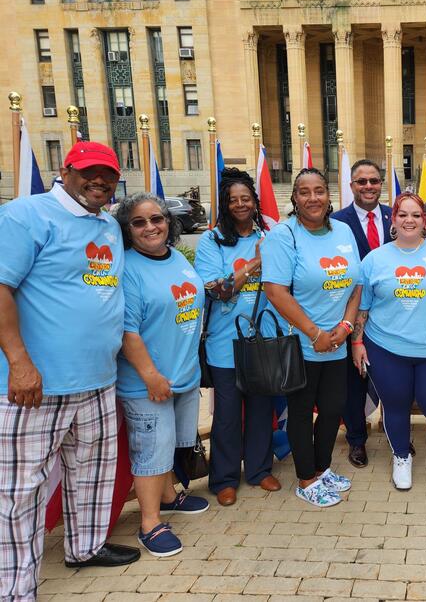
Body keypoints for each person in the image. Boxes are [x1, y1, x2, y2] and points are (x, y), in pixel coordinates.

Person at [0, 141, 140, 600]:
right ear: (67, 170)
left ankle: (85, 547)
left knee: (92, 474)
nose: (99, 181)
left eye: (108, 174)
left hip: (98, 379)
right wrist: (19, 362)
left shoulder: (107, 225)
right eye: (89, 172)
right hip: (36, 385)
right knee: (21, 493)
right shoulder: (26, 215)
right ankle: (15, 588)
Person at [351, 193, 426, 495]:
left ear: (425, 221)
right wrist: (357, 342)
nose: (409, 220)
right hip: (386, 348)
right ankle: (401, 457)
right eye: (402, 214)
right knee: (395, 406)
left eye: (416, 215)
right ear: (393, 220)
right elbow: (362, 306)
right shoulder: (375, 259)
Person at [114, 193, 210, 557]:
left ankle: (168, 496)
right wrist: (150, 375)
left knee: (169, 444)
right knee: (151, 452)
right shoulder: (128, 269)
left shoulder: (177, 261)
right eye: (139, 222)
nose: (150, 227)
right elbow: (128, 331)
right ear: (128, 229)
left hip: (182, 375)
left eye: (157, 219)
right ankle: (150, 523)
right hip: (148, 382)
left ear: (169, 222)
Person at [262, 168, 362, 507]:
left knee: (333, 409)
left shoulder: (345, 231)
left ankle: (323, 468)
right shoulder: (283, 235)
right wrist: (316, 333)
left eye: (319, 190)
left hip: (337, 340)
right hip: (303, 343)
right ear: (294, 198)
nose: (313, 198)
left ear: (329, 195)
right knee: (302, 412)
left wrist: (345, 328)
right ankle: (306, 478)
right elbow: (275, 291)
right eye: (304, 192)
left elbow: (356, 285)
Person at [194, 167, 282, 507]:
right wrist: (253, 265)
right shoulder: (211, 240)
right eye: (233, 200)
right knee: (228, 415)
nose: (241, 205)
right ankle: (225, 478)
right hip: (224, 343)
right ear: (225, 205)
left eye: (246, 198)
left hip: (263, 338)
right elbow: (217, 291)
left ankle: (259, 470)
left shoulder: (271, 234)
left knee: (261, 409)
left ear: (255, 202)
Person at [331, 159, 393, 468]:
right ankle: (356, 440)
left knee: (395, 378)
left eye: (373, 180)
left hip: (394, 314)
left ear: (381, 183)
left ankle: (397, 433)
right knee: (353, 382)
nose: (368, 186)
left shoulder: (397, 217)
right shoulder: (335, 222)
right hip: (351, 311)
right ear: (351, 186)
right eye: (361, 181)